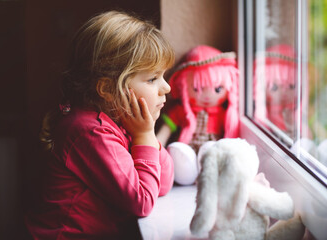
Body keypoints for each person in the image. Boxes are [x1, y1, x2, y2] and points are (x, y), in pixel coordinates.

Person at [25, 10, 175, 240]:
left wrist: (146, 136)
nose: (167, 88)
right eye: (152, 79)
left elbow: (162, 183)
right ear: (106, 89)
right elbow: (143, 201)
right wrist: (144, 135)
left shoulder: (122, 123)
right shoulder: (89, 131)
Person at [157, 45, 239, 185]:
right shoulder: (182, 111)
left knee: (211, 150)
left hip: (212, 152)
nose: (207, 96)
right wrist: (156, 145)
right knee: (179, 152)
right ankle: (185, 175)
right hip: (188, 152)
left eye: (217, 89)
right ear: (182, 86)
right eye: (196, 88)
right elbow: (166, 129)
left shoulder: (223, 114)